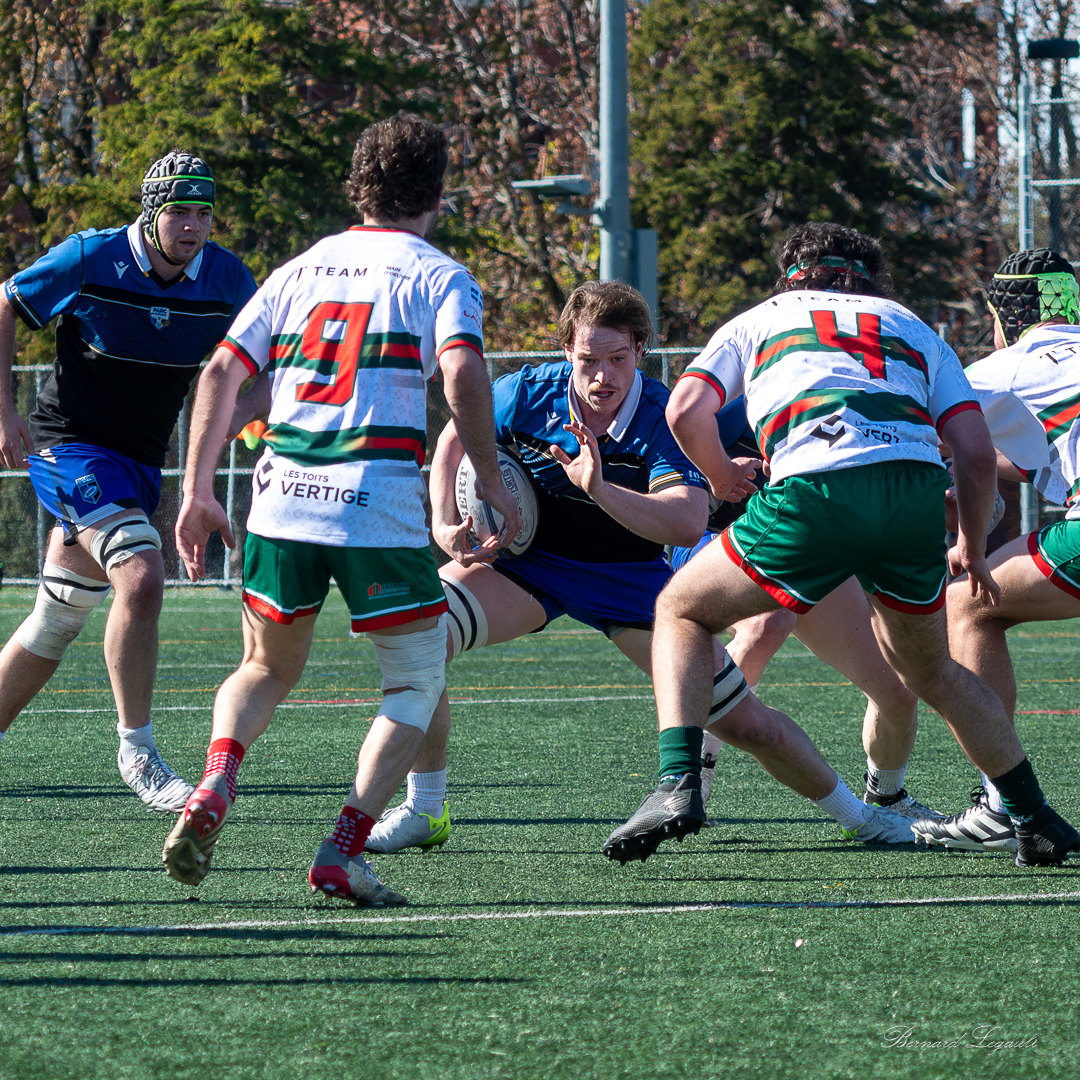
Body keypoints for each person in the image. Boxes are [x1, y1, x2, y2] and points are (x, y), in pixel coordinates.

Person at [367, 280, 917, 860]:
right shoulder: (526, 392)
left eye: (617, 359)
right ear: (566, 354)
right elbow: (457, 431)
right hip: (530, 569)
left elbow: (684, 522)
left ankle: (862, 819)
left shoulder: (661, 414)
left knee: (747, 725)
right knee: (421, 633)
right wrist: (443, 520)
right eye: (587, 360)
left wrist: (598, 487)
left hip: (635, 587)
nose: (602, 376)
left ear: (640, 350)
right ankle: (425, 808)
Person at [605, 222, 1080, 868]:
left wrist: (719, 475)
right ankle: (1031, 814)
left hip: (816, 491)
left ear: (793, 275)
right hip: (913, 498)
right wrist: (969, 541)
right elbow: (972, 451)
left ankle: (678, 781)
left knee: (682, 609)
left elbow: (685, 406)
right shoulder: (912, 326)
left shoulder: (766, 316)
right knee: (932, 671)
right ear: (867, 277)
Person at [161, 113, 521, 906]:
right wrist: (491, 480)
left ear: (358, 184)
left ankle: (217, 781)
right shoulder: (440, 274)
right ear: (436, 190)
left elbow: (221, 371)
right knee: (416, 678)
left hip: (280, 498)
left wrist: (194, 492)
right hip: (375, 503)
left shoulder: (302, 267)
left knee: (262, 667)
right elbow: (461, 371)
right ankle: (342, 849)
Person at [0, 152, 256, 812]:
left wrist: (248, 421)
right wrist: (1, 409)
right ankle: (137, 750)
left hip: (138, 463)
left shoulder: (227, 279)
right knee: (142, 574)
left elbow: (271, 363)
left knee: (56, 620)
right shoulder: (92, 257)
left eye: (204, 212)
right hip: (70, 447)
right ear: (151, 212)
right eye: (179, 211)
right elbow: (7, 301)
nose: (194, 225)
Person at [671, 400, 935, 821]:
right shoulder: (744, 395)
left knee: (897, 693)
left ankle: (887, 797)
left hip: (808, 544)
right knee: (767, 621)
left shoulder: (873, 395)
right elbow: (671, 457)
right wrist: (717, 471)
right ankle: (693, 769)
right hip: (714, 534)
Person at [918, 248, 1080, 852]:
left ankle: (1000, 802)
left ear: (1005, 314)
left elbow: (924, 427)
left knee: (967, 605)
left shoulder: (1006, 368)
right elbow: (1031, 459)